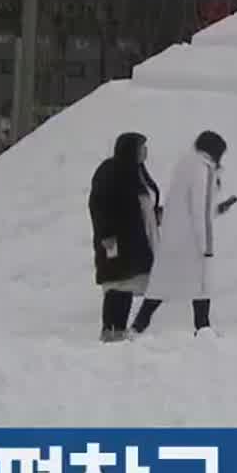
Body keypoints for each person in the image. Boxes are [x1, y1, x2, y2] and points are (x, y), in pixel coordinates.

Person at [138, 131, 237, 336]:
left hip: (174, 237)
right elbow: (199, 210)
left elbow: (188, 206)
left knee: (161, 285)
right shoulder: (204, 169)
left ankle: (139, 326)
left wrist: (218, 209)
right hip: (193, 241)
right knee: (202, 285)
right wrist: (206, 247)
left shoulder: (185, 165)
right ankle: (203, 329)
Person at [88, 132, 161, 342]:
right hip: (116, 239)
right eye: (141, 147)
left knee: (127, 281)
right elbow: (99, 204)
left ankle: (118, 332)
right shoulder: (109, 171)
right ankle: (111, 330)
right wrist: (106, 235)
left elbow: (145, 202)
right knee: (116, 282)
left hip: (137, 237)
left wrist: (157, 215)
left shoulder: (137, 171)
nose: (145, 152)